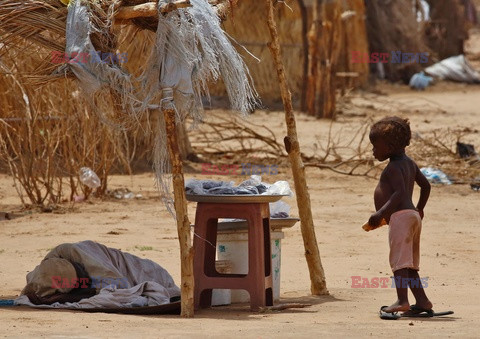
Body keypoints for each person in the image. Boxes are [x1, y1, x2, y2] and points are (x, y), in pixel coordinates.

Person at [368, 116, 432, 314]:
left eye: (375, 147)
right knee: (409, 264)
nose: (373, 151)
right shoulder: (409, 163)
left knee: (399, 263)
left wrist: (380, 213)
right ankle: (422, 301)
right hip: (412, 216)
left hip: (400, 218)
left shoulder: (393, 167)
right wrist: (420, 209)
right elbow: (426, 186)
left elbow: (400, 193)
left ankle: (402, 300)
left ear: (389, 146)